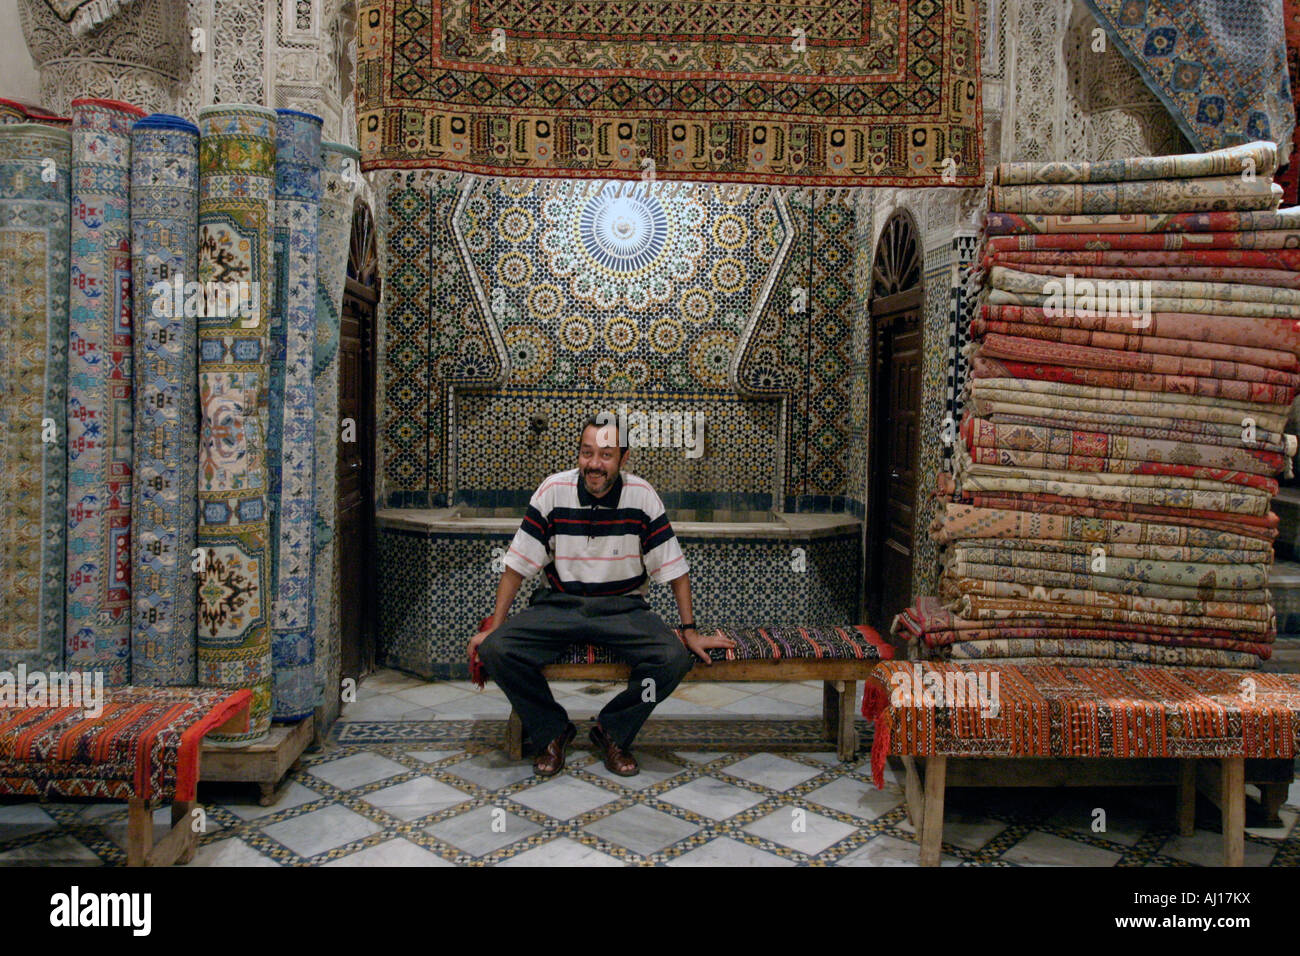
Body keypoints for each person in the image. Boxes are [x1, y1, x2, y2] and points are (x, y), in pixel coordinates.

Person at [468, 413, 735, 777]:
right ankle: (551, 730)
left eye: (606, 455)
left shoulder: (641, 495)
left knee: (672, 659)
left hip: (624, 609)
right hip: (559, 605)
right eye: (586, 452)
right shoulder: (552, 491)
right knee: (496, 651)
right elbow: (516, 566)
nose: (594, 464)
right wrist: (495, 628)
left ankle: (612, 730)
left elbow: (675, 568)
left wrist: (689, 630)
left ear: (623, 459)